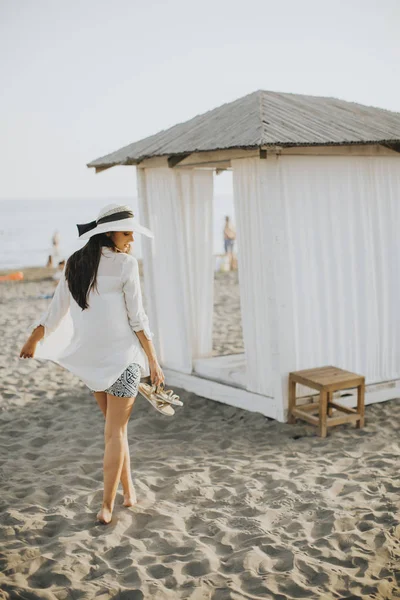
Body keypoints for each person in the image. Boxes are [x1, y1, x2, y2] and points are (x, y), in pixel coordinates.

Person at [19, 203, 167, 525]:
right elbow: (138, 320)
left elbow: (55, 312)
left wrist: (35, 337)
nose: (131, 240)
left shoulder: (76, 262)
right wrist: (154, 361)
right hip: (110, 360)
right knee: (117, 433)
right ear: (109, 233)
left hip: (105, 363)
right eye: (127, 233)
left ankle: (121, 498)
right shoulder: (123, 265)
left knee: (114, 433)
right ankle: (112, 503)